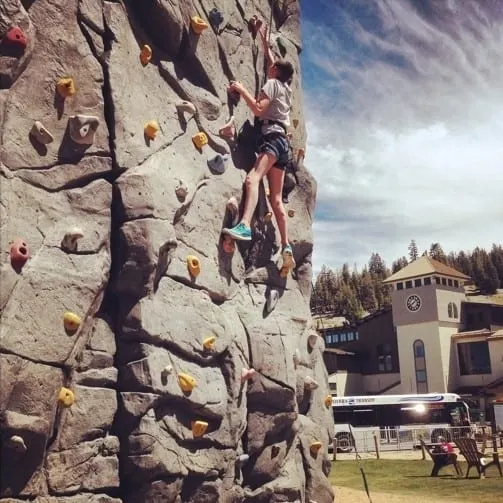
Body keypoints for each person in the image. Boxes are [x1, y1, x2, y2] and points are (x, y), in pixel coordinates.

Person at [222, 24, 295, 270]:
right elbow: (273, 61)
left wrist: (241, 89)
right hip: (284, 144)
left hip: (272, 139)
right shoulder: (286, 88)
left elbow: (258, 110)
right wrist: (263, 38)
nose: (268, 66)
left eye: (271, 67)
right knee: (276, 199)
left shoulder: (272, 85)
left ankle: (243, 225)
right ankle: (286, 246)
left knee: (253, 180)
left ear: (274, 72)